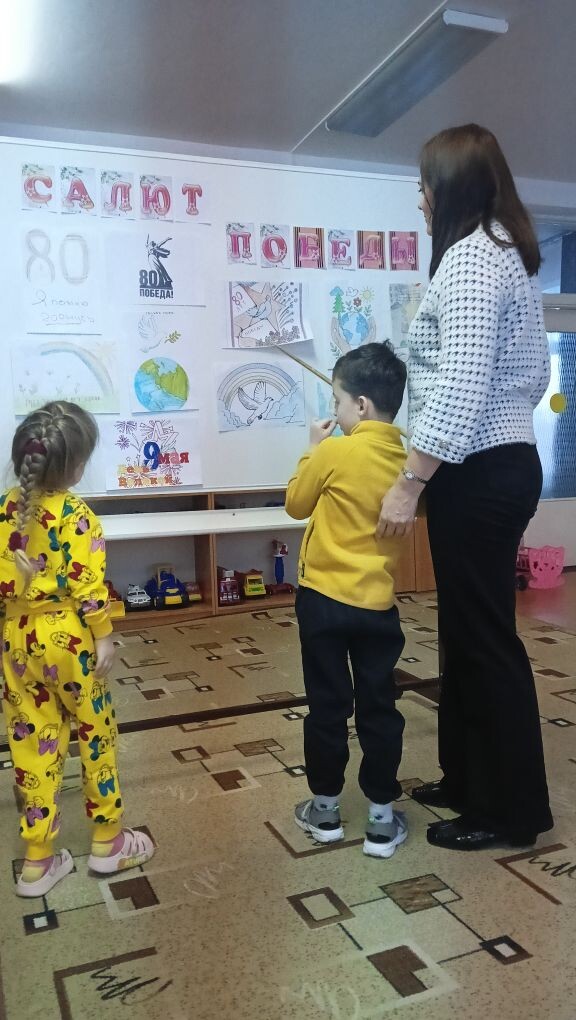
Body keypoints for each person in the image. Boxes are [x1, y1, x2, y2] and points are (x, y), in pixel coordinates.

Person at [376, 124, 553, 851]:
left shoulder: (477, 255)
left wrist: (410, 480)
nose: (419, 198)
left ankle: (511, 812)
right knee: (463, 633)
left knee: (483, 641)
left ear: (449, 187)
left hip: (478, 471)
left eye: (424, 185)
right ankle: (466, 779)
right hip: (485, 466)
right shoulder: (494, 252)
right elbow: (506, 375)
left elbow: (463, 382)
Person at [0, 401, 155, 897]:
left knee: (32, 744)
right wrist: (104, 634)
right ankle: (108, 842)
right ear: (78, 465)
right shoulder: (77, 515)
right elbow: (89, 585)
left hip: (17, 639)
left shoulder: (4, 510)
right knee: (94, 733)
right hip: (71, 640)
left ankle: (37, 862)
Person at [285, 342, 409, 858]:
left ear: (360, 405)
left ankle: (326, 810)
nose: (334, 412)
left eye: (337, 401)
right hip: (377, 605)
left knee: (327, 703)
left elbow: (296, 504)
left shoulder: (334, 451)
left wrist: (312, 448)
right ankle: (380, 817)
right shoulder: (408, 461)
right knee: (380, 706)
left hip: (322, 602)